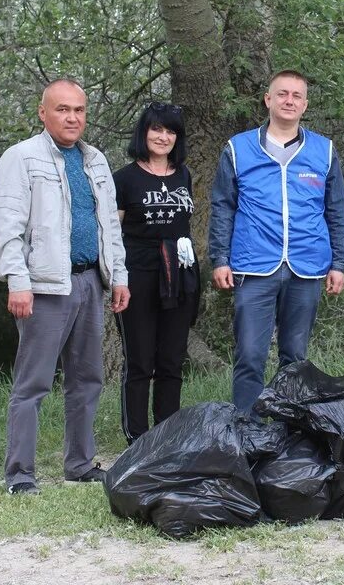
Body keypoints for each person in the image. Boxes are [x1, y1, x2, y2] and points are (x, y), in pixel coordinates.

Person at [0, 78, 130, 495]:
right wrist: (18, 281)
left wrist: (118, 275)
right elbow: (8, 226)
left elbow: (109, 225)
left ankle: (80, 463)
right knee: (33, 383)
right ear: (43, 112)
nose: (72, 117)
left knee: (87, 379)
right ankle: (20, 475)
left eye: (79, 110)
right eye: (62, 109)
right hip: (44, 287)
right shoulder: (21, 158)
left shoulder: (96, 161)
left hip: (91, 281)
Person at [209, 70, 344, 413]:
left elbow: (337, 209)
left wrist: (339, 264)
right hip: (253, 265)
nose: (289, 101)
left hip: (308, 266)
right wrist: (220, 258)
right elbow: (222, 206)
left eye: (296, 96)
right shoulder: (238, 148)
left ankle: (292, 432)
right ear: (268, 99)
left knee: (295, 357)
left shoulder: (324, 150)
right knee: (250, 355)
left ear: (305, 104)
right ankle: (247, 431)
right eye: (282, 94)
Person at [113, 102, 199, 445]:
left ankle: (168, 434)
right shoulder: (124, 178)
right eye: (157, 129)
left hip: (179, 274)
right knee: (140, 359)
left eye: (170, 131)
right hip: (139, 275)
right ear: (143, 132)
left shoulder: (185, 175)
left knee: (171, 358)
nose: (163, 137)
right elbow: (112, 234)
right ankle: (138, 437)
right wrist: (117, 278)